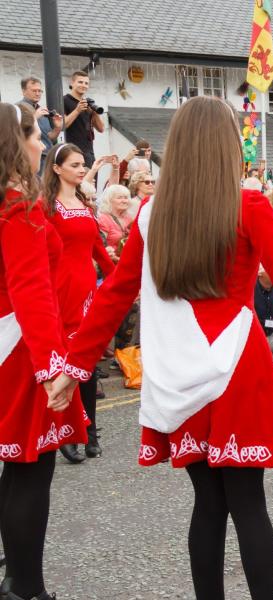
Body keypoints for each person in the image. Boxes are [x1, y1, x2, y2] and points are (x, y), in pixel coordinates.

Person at [49, 96, 273, 600]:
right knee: (249, 504)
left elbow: (115, 294)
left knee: (207, 505)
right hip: (239, 366)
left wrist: (75, 364)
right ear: (226, 148)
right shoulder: (249, 206)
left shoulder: (154, 214)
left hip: (180, 371)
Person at [0, 101, 88, 600]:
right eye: (35, 134)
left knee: (16, 466)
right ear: (15, 141)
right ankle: (25, 588)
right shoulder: (21, 205)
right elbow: (32, 290)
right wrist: (53, 367)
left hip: (11, 343)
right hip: (24, 350)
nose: (42, 143)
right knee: (31, 468)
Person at [42, 142, 115, 462]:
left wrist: (119, 280)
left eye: (83, 164)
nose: (81, 169)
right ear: (57, 168)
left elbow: (98, 250)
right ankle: (66, 430)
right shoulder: (48, 207)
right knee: (67, 362)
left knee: (87, 363)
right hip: (60, 292)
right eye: (74, 165)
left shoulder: (85, 205)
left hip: (88, 291)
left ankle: (90, 430)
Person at [61, 71, 103, 168]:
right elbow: (62, 125)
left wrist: (94, 113)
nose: (83, 85)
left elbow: (101, 129)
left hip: (89, 152)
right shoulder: (64, 100)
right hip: (72, 152)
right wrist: (77, 110)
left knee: (91, 182)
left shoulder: (88, 103)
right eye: (80, 82)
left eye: (86, 83)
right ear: (72, 83)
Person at [19, 77, 62, 163]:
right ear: (23, 91)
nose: (38, 93)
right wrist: (35, 117)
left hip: (47, 156)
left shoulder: (42, 110)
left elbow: (50, 138)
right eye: (34, 91)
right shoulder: (18, 108)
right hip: (31, 156)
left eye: (40, 91)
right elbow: (17, 133)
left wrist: (57, 128)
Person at [97, 184, 133, 255]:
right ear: (109, 200)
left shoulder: (128, 218)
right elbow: (101, 245)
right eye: (119, 198)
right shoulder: (104, 219)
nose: (124, 201)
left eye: (126, 198)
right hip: (111, 260)